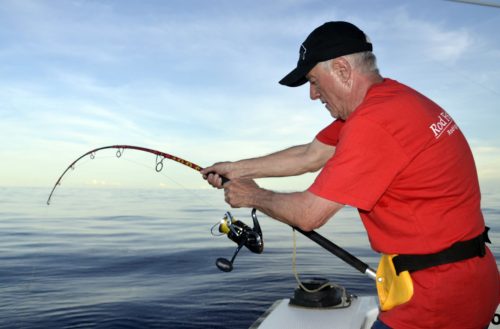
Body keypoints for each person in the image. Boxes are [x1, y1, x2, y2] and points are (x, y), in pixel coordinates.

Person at [201, 21, 499, 329]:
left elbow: (308, 214)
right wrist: (235, 169)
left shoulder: (374, 121)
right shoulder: (393, 99)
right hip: (469, 277)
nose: (313, 95)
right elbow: (310, 155)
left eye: (314, 81)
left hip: (436, 300)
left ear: (343, 70)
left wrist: (252, 195)